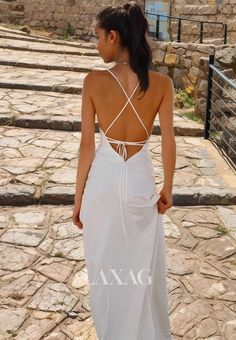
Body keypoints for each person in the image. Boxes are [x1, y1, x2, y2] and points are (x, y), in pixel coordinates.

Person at [72, 1, 176, 339]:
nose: (97, 44)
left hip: (103, 183)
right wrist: (168, 189)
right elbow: (168, 142)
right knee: (139, 266)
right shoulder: (162, 84)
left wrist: (78, 200)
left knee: (103, 265)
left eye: (99, 37)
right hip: (140, 182)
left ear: (114, 37)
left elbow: (87, 146)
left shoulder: (93, 81)